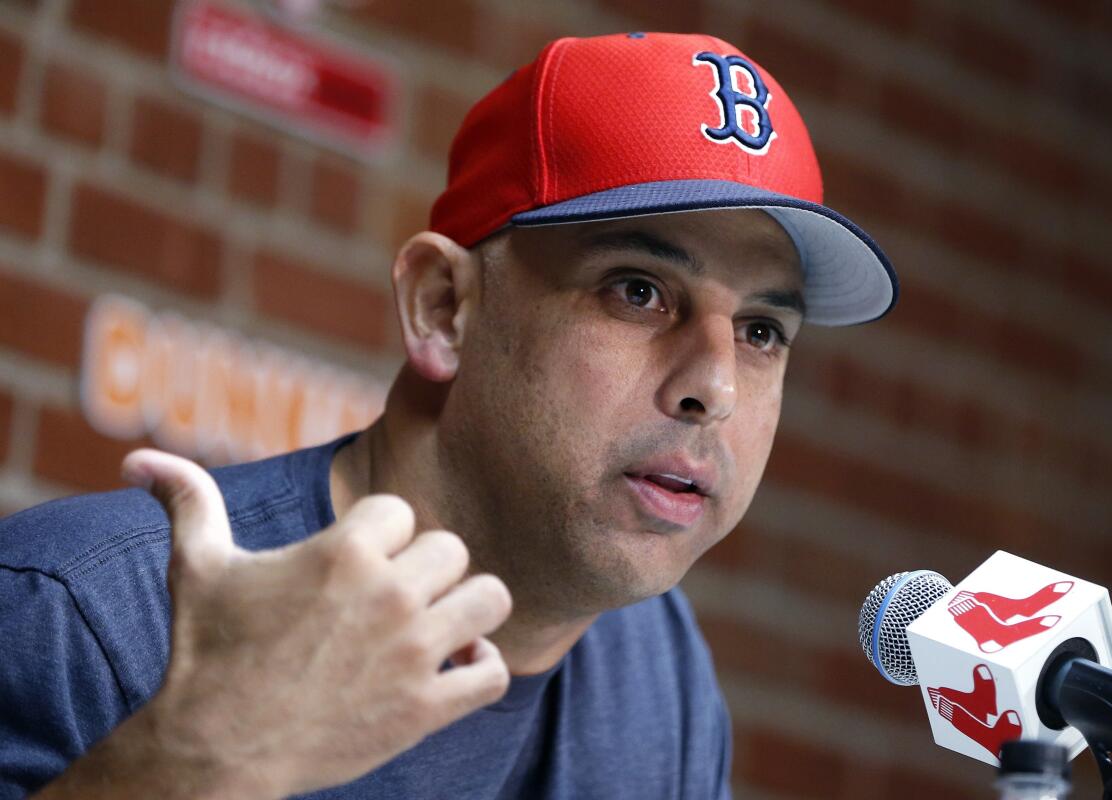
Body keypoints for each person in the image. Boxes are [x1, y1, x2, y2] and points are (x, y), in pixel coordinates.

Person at [0, 32, 897, 799]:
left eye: (761, 330)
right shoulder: (87, 613)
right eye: (639, 291)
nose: (717, 385)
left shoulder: (657, 678)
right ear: (442, 307)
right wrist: (189, 760)